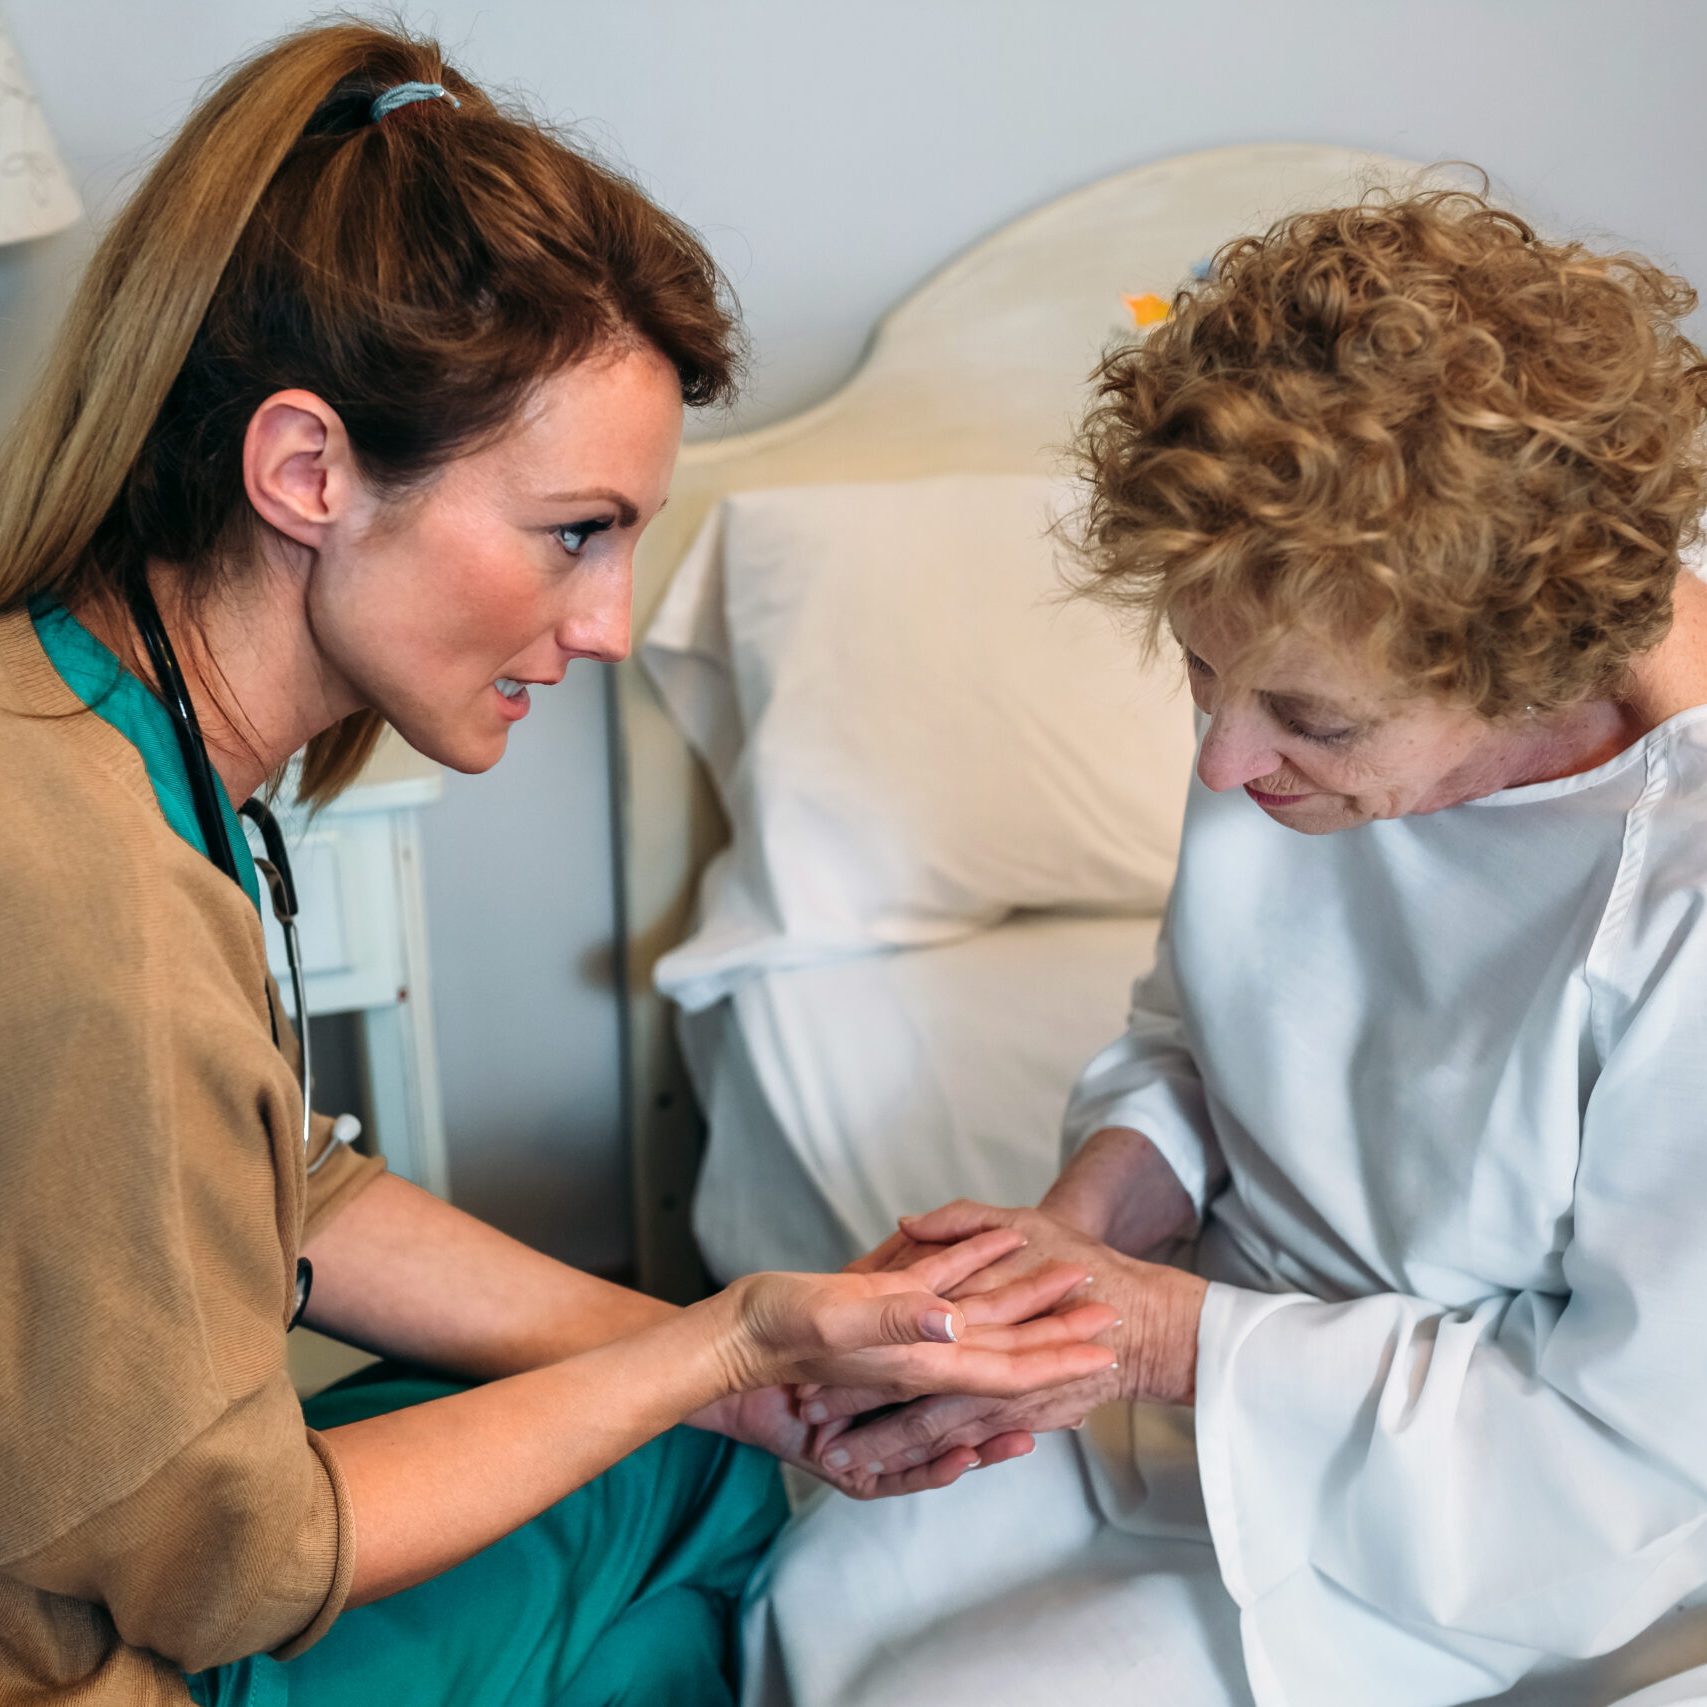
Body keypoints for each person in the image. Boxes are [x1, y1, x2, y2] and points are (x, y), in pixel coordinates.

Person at [0, 24, 1122, 1707]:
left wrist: (736, 1361)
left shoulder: (86, 722)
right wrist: (721, 1348)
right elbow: (223, 1561)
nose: (604, 626)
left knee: (690, 1480)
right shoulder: (95, 898)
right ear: (308, 472)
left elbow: (277, 1193)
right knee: (713, 1521)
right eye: (573, 531)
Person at [742, 185, 1707, 1707]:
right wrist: (1073, 1243)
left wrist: (1161, 1344)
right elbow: (1211, 1026)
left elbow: (1619, 1467)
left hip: (1470, 1516)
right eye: (1201, 677)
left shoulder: (1683, 900)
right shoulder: (1300, 664)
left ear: (1536, 664)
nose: (1226, 770)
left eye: (1311, 723)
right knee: (824, 1595)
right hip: (1214, 1348)